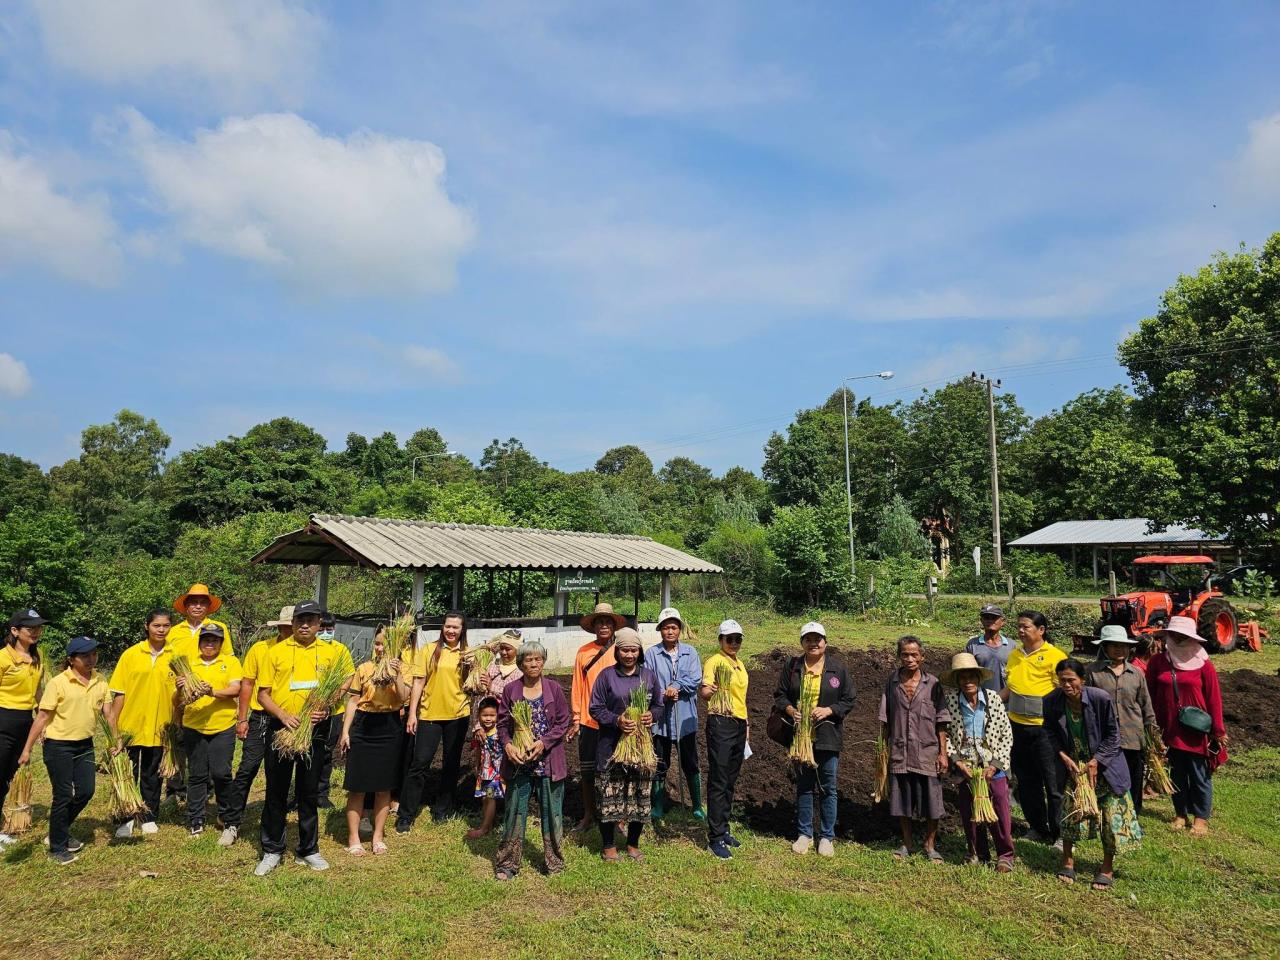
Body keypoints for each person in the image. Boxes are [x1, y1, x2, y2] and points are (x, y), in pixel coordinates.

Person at [254, 600, 353, 875]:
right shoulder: (276, 652)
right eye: (300, 620)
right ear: (293, 623)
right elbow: (263, 694)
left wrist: (327, 706)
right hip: (282, 729)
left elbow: (347, 679)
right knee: (276, 790)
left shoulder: (335, 651)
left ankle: (308, 849)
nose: (305, 625)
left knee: (308, 791)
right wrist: (284, 716)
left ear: (320, 623)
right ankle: (272, 849)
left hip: (316, 730)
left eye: (311, 620)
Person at [1045, 658, 1142, 890]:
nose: (1067, 686)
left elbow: (1113, 736)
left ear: (1083, 680)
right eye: (1062, 681)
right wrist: (1063, 756)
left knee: (1110, 819)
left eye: (1071, 680)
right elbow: (1048, 732)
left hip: (1105, 768)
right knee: (1071, 814)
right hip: (1075, 769)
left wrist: (1096, 761)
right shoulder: (1052, 701)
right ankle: (1068, 861)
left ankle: (1106, 868)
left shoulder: (1100, 699)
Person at [18, 636, 114, 864]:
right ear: (71, 660)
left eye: (94, 654)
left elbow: (108, 714)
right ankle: (57, 848)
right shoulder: (59, 683)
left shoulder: (100, 680)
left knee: (86, 791)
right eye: (85, 656)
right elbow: (42, 717)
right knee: (63, 796)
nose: (91, 659)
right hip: (58, 746)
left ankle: (57, 830)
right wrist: (27, 749)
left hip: (85, 745)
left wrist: (115, 740)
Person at [773, 621, 855, 857]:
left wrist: (829, 710)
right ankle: (805, 834)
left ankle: (827, 836)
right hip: (801, 737)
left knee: (828, 787)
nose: (813, 643)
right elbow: (780, 695)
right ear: (802, 643)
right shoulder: (793, 666)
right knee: (805, 786)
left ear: (825, 642)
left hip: (828, 736)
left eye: (817, 639)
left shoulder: (837, 670)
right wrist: (790, 711)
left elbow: (849, 699)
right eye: (808, 639)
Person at [495, 639, 571, 880]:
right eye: (528, 659)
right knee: (514, 812)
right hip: (519, 762)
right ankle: (508, 863)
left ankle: (554, 862)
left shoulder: (554, 689)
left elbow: (562, 722)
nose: (534, 664)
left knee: (552, 812)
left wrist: (543, 743)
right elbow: (502, 724)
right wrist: (507, 745)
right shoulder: (511, 690)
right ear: (520, 663)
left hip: (547, 760)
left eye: (538, 659)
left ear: (543, 662)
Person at [1147, 615, 1228, 837]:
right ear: (1168, 635)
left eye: (1183, 635)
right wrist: (1151, 726)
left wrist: (1218, 730)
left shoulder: (1204, 664)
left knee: (1199, 774)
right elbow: (1150, 695)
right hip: (1169, 727)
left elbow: (1214, 698)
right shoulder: (1158, 662)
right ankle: (1180, 813)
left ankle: (1201, 818)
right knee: (1177, 773)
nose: (1178, 638)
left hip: (1196, 729)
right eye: (1174, 634)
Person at [589, 627, 664, 862]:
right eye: (624, 650)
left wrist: (652, 715)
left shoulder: (649, 676)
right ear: (617, 651)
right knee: (609, 795)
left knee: (639, 795)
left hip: (641, 748)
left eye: (633, 650)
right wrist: (616, 720)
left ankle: (632, 844)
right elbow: (595, 708)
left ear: (639, 651)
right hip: (611, 746)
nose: (629, 655)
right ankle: (609, 846)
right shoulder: (606, 676)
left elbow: (659, 705)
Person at [221, 605, 291, 847]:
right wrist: (242, 719)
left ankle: (273, 822)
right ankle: (231, 822)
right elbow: (247, 684)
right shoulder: (261, 648)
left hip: (291, 720)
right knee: (247, 769)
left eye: (291, 627)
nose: (288, 631)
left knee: (278, 774)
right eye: (285, 627)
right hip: (261, 717)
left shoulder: (303, 653)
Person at [941, 652, 1015, 872]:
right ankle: (976, 851)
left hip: (993, 765)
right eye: (963, 678)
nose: (968, 682)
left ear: (979, 678)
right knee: (970, 812)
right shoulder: (951, 701)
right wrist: (957, 761)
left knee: (1000, 809)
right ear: (957, 681)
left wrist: (994, 765)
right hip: (967, 767)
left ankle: (1005, 854)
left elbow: (1006, 735)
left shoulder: (992, 699)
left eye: (972, 677)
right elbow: (947, 735)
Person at [337, 628, 409, 856]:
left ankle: (378, 836)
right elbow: (353, 701)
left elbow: (403, 698)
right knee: (357, 787)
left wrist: (397, 674)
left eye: (384, 645)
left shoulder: (402, 668)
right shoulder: (364, 668)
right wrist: (346, 731)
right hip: (363, 726)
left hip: (389, 727)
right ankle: (354, 836)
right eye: (377, 644)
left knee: (383, 787)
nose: (379, 649)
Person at [879, 636, 950, 862]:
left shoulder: (934, 684)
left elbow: (941, 720)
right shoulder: (892, 683)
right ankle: (907, 843)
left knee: (932, 800)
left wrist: (943, 752)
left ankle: (930, 845)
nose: (909, 659)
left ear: (922, 657)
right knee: (902, 800)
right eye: (905, 655)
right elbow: (885, 719)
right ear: (899, 656)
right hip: (900, 749)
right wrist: (882, 752)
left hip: (927, 751)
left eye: (914, 655)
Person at [399, 610, 470, 830]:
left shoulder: (468, 653)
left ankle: (442, 809)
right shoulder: (428, 650)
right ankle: (406, 814)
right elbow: (418, 683)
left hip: (458, 715)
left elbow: (473, 684)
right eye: (448, 626)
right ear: (443, 627)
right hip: (430, 715)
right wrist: (413, 713)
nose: (451, 631)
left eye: (455, 627)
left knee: (451, 764)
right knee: (419, 763)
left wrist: (474, 668)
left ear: (462, 630)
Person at [1001, 610, 1067, 846]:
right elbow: (1009, 689)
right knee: (1027, 781)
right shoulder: (1014, 655)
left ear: (1041, 630)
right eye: (1018, 626)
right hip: (1017, 728)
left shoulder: (1055, 656)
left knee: (1054, 783)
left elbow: (1065, 692)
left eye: (1026, 626)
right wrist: (992, 704)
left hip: (1044, 731)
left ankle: (1060, 833)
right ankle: (1037, 827)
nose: (1020, 630)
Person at [107, 609, 175, 838]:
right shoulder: (131, 654)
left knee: (152, 773)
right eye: (157, 625)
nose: (161, 630)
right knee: (127, 773)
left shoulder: (175, 656)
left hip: (159, 725)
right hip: (131, 725)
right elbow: (119, 693)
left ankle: (148, 816)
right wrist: (114, 727)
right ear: (147, 626)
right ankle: (125, 817)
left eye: (166, 625)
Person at [175, 623, 242, 836]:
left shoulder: (230, 662)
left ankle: (226, 815)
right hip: (194, 725)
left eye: (214, 640)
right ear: (200, 642)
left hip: (223, 725)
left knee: (221, 773)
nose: (210, 644)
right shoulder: (188, 665)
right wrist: (180, 690)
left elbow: (235, 688)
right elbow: (177, 700)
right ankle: (196, 818)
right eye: (206, 640)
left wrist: (212, 692)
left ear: (221, 643)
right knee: (197, 775)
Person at [1085, 625, 1158, 815]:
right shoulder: (1093, 672)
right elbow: (1087, 705)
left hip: (1131, 736)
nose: (1120, 650)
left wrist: (1152, 734)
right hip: (1104, 737)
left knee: (1133, 777)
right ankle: (1107, 815)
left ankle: (1134, 815)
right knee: (1106, 777)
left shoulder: (1136, 673)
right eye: (1114, 646)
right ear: (1105, 647)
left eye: (1123, 646)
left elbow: (1145, 705)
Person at [643, 607, 704, 821]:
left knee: (690, 762)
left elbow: (696, 679)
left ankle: (697, 805)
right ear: (660, 630)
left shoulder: (691, 652)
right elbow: (648, 682)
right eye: (666, 627)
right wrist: (664, 694)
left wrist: (677, 686)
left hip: (685, 717)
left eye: (674, 627)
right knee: (660, 762)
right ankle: (658, 805)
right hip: (660, 719)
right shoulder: (651, 654)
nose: (670, 631)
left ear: (680, 629)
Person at [568, 601, 624, 832]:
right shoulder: (584, 652)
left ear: (613, 626)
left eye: (607, 622)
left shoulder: (620, 649)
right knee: (588, 771)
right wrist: (576, 717)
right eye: (599, 622)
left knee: (618, 769)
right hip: (590, 722)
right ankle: (589, 814)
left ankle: (618, 817)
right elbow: (577, 686)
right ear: (594, 626)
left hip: (615, 721)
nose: (603, 626)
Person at [700, 619, 749, 859]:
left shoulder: (739, 664)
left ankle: (724, 827)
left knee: (730, 779)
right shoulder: (714, 661)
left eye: (738, 639)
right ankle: (715, 837)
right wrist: (711, 689)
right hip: (721, 722)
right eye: (729, 639)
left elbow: (742, 700)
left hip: (739, 724)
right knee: (719, 779)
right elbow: (705, 692)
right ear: (720, 640)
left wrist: (746, 726)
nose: (734, 643)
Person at [0, 608, 45, 848]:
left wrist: (42, 720)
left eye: (39, 628)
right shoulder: (3, 658)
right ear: (15, 631)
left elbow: (38, 692)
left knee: (9, 774)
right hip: (3, 719)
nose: (36, 632)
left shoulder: (38, 658)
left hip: (25, 722)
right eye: (31, 628)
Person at [316, 611, 355, 810]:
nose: (324, 632)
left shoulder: (341, 650)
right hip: (308, 710)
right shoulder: (310, 650)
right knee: (305, 752)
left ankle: (322, 794)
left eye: (328, 629)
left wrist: (332, 699)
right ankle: (301, 793)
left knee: (325, 752)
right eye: (321, 629)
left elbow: (348, 677)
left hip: (333, 710)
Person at [467, 697, 504, 840]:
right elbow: (478, 750)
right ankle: (489, 822)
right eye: (485, 715)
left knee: (489, 798)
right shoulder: (481, 733)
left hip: (494, 773)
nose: (488, 719)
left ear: (497, 715)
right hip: (484, 772)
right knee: (485, 798)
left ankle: (485, 828)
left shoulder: (499, 733)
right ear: (479, 716)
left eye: (492, 715)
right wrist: (477, 765)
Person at [167, 583, 233, 660]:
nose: (198, 606)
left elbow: (229, 657)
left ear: (208, 606)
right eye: (194, 602)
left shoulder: (219, 628)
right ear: (186, 605)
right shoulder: (173, 631)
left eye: (203, 603)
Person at [964, 603, 1013, 694]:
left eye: (994, 618)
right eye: (986, 618)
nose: (990, 621)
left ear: (1002, 621)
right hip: (980, 698)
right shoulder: (972, 645)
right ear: (981, 620)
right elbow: (965, 673)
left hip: (1006, 700)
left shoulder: (1011, 645)